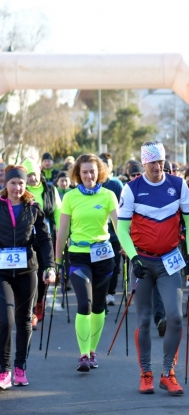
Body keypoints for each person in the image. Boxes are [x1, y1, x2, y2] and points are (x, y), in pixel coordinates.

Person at [118, 141, 189, 396]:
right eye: (152, 162)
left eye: (161, 162)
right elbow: (121, 228)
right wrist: (133, 258)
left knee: (175, 317)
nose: (157, 167)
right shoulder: (132, 189)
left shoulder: (177, 185)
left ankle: (167, 373)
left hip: (170, 261)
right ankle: (146, 373)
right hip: (142, 261)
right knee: (144, 321)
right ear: (144, 163)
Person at [55, 154, 119, 372]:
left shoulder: (109, 195)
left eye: (92, 171)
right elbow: (62, 230)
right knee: (85, 304)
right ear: (78, 174)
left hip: (103, 255)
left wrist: (130, 251)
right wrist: (56, 261)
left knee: (99, 307)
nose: (89, 175)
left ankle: (92, 350)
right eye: (84, 172)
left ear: (99, 172)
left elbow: (119, 226)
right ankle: (83, 355)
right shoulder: (70, 197)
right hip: (79, 255)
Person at [0, 165, 55, 389]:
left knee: (24, 321)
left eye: (21, 183)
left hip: (27, 272)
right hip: (2, 273)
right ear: (6, 184)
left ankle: (20, 367)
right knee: (6, 320)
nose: (17, 187)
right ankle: (4, 371)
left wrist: (49, 266)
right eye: (13, 183)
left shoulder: (33, 208)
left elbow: (44, 240)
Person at [22, 157, 61, 330]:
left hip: (46, 238)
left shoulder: (50, 190)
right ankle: (30, 312)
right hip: (26, 240)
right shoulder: (22, 192)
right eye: (29, 175)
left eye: (35, 174)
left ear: (40, 174)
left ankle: (39, 301)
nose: (33, 178)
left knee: (43, 273)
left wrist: (61, 231)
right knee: (31, 274)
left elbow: (59, 211)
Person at [100, 153, 125, 308]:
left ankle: (110, 293)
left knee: (114, 265)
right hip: (98, 236)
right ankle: (101, 293)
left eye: (106, 165)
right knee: (102, 265)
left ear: (111, 167)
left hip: (114, 234)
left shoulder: (116, 185)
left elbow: (123, 207)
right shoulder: (93, 184)